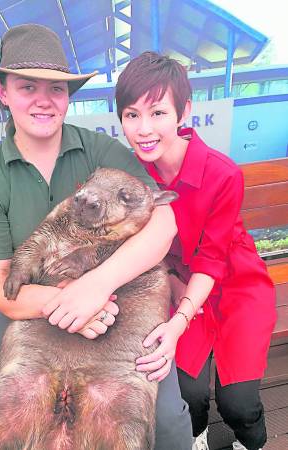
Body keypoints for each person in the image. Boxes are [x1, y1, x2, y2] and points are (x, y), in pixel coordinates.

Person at [0, 25, 192, 449]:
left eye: (56, 88)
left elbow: (163, 223)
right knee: (10, 414)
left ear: (68, 96)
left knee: (167, 423)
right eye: (27, 86)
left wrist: (95, 287)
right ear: (2, 91)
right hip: (31, 316)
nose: (44, 100)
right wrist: (68, 304)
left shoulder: (100, 151)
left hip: (121, 310)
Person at [115, 51, 277, 450]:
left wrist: (179, 320)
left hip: (236, 286)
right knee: (186, 390)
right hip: (174, 284)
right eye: (131, 115)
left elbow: (212, 258)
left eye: (157, 113)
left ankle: (250, 441)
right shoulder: (131, 174)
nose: (143, 129)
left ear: (184, 111)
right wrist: (170, 283)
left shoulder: (222, 173)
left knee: (238, 401)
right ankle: (196, 435)